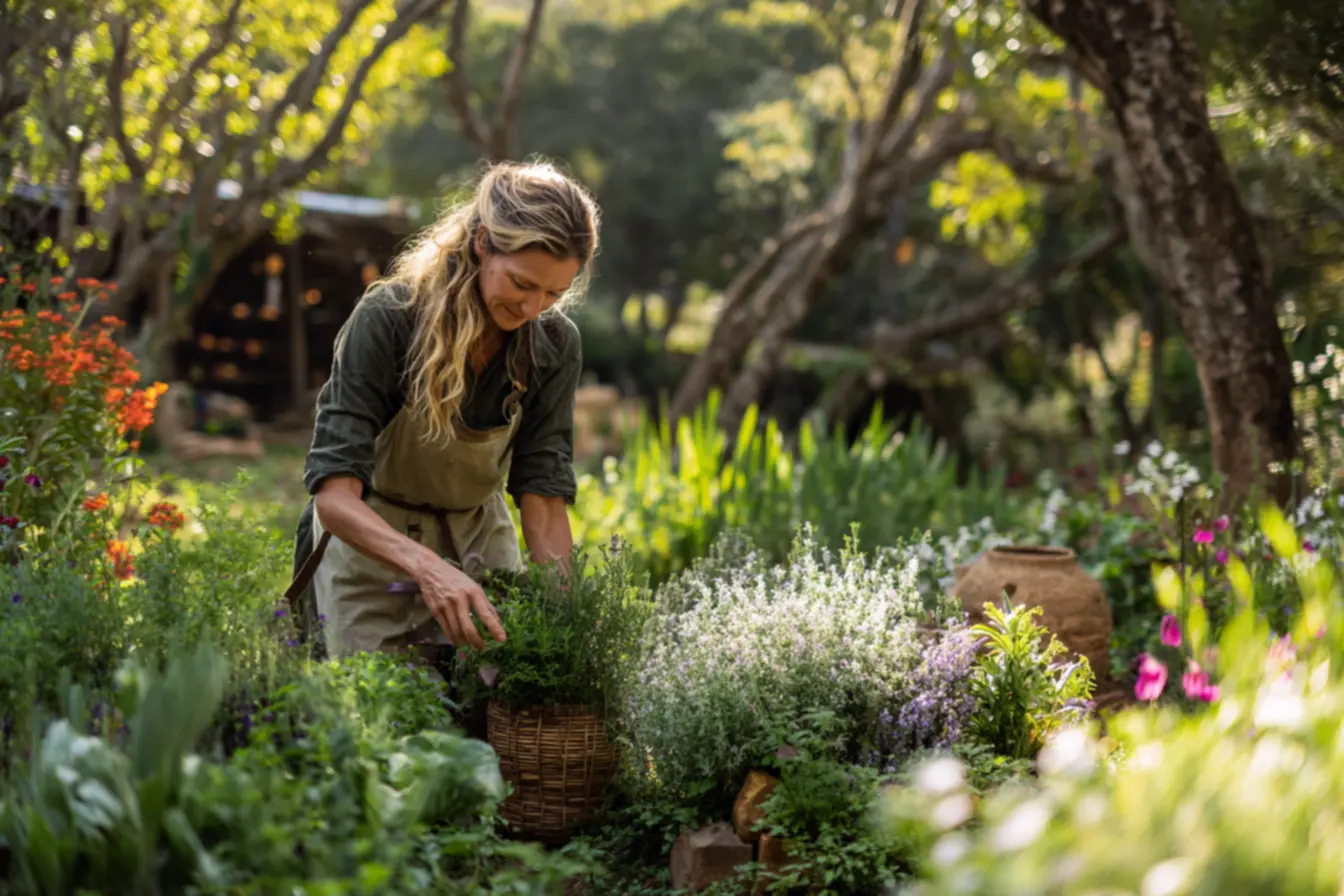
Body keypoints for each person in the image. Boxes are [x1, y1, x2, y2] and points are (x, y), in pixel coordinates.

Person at [285, 160, 600, 664]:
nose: (533, 308)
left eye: (554, 293)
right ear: (481, 243)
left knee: (489, 711)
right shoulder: (390, 320)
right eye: (522, 283)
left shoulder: (553, 344)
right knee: (378, 716)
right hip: (371, 543)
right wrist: (428, 569)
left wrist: (569, 625)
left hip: (478, 537)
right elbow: (334, 498)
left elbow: (542, 495)